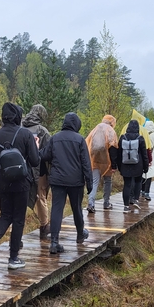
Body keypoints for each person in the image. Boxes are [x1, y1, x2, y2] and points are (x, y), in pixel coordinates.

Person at [0, 102, 40, 270]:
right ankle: (13, 258)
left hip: (3, 183)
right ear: (17, 116)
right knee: (18, 220)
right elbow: (35, 161)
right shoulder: (25, 134)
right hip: (22, 183)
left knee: (5, 216)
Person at [40, 113, 92, 254]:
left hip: (57, 180)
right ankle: (80, 234)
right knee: (76, 208)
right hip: (75, 181)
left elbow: (44, 155)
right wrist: (90, 182)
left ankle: (54, 242)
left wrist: (37, 146)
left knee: (57, 209)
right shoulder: (80, 140)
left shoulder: (55, 138)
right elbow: (86, 163)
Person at [22, 104, 51, 239]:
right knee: (41, 198)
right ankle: (44, 226)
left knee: (18, 200)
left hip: (21, 170)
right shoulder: (42, 131)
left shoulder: (20, 128)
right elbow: (49, 152)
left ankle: (13, 232)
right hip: (39, 171)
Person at [85, 115, 118, 213]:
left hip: (94, 160)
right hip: (106, 161)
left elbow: (87, 143)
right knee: (107, 181)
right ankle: (106, 203)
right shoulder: (111, 131)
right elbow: (113, 148)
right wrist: (114, 165)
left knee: (94, 182)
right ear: (112, 122)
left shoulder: (95, 129)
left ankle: (91, 203)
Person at [117, 119, 149, 213]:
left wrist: (119, 166)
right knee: (138, 182)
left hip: (125, 165)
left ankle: (126, 206)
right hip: (138, 165)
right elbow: (144, 154)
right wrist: (146, 167)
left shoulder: (123, 138)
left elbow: (119, 153)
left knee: (127, 185)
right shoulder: (140, 138)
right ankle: (135, 200)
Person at [140, 119, 154, 201]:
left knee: (143, 173)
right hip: (152, 156)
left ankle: (142, 191)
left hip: (144, 155)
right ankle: (147, 193)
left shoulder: (143, 133)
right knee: (149, 175)